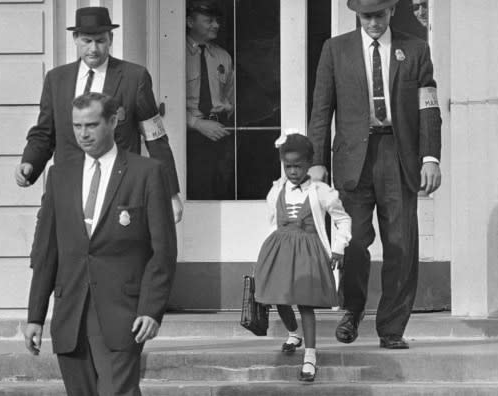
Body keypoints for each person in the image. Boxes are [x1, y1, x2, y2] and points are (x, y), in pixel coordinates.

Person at [308, 0, 442, 350]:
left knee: (401, 243)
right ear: (356, 15)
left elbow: (428, 106)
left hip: (399, 156)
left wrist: (430, 158)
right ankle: (352, 311)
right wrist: (317, 161)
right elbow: (321, 109)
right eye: (366, 16)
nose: (373, 23)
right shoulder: (335, 50)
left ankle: (392, 327)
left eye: (379, 15)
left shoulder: (414, 49)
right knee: (353, 241)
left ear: (391, 12)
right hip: (354, 160)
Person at [24, 92, 177, 396]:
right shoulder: (59, 175)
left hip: (124, 313)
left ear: (113, 120)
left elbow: (163, 251)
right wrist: (35, 316)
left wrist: (151, 308)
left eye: (92, 125)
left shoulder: (146, 173)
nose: (83, 134)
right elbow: (47, 251)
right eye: (77, 126)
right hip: (70, 313)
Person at [15, 6, 183, 223]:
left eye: (100, 41)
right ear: (75, 39)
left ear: (111, 39)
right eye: (86, 41)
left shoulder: (134, 78)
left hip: (119, 191)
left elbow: (155, 138)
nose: (93, 49)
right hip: (68, 189)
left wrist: (170, 193)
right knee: (52, 253)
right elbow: (45, 133)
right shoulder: (56, 79)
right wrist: (30, 162)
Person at [254, 133, 351, 382]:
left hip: (308, 252)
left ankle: (310, 355)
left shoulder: (321, 192)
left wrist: (339, 247)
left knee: (305, 303)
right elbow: (272, 221)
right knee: (279, 297)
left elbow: (343, 219)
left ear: (309, 164)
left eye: (298, 166)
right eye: (288, 167)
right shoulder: (277, 190)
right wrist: (265, 256)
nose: (293, 171)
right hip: (280, 249)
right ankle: (293, 332)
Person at [186, 0, 236, 199]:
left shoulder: (223, 57)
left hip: (219, 134)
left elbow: (229, 97)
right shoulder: (176, 55)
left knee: (221, 192)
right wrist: (196, 124)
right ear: (190, 21)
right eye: (209, 20)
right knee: (196, 192)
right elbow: (167, 103)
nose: (216, 25)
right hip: (189, 136)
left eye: (217, 20)